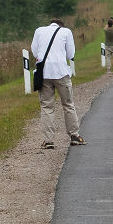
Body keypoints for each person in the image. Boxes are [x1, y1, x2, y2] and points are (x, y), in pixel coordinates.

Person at [31, 18, 84, 150]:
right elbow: (71, 54)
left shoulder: (39, 31)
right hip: (61, 72)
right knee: (68, 105)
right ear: (61, 26)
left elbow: (35, 52)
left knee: (47, 107)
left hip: (44, 74)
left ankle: (48, 140)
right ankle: (74, 136)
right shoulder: (66, 32)